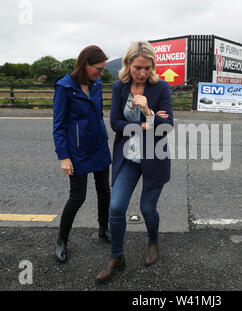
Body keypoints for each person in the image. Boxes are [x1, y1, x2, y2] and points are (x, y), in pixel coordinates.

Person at [96, 41, 173, 282]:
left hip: (154, 157)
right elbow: (115, 123)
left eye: (148, 68)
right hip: (128, 157)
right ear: (128, 63)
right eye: (138, 67)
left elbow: (167, 126)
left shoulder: (161, 88)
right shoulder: (119, 87)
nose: (142, 73)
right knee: (116, 208)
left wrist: (149, 112)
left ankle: (153, 242)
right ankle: (116, 257)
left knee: (147, 208)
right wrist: (143, 125)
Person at [52, 45, 112, 263]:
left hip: (99, 147)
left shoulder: (97, 84)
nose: (101, 73)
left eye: (103, 69)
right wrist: (63, 156)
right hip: (77, 152)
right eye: (98, 68)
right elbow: (58, 125)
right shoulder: (64, 87)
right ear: (85, 64)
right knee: (78, 197)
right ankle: (61, 240)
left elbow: (98, 115)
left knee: (104, 192)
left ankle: (103, 230)